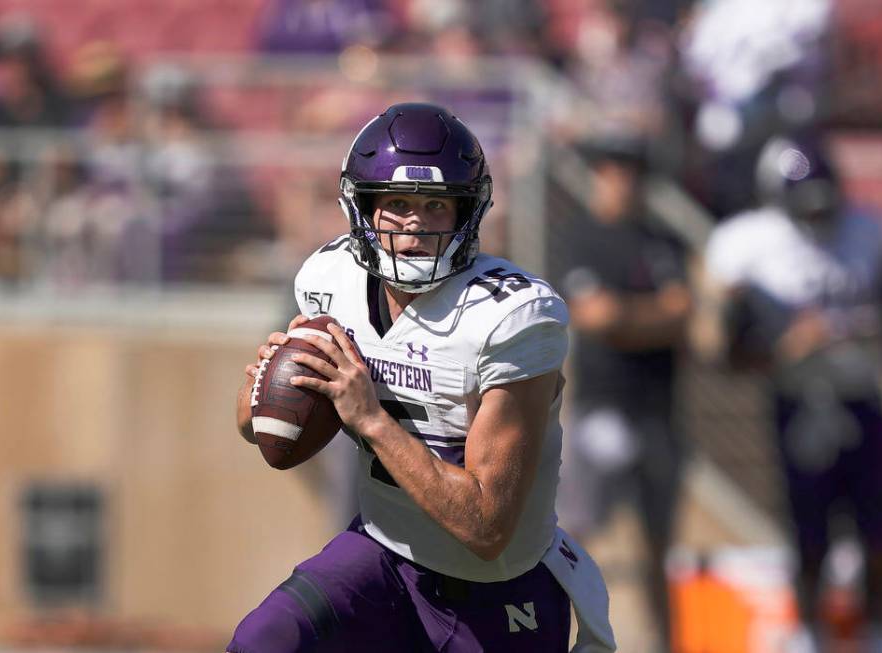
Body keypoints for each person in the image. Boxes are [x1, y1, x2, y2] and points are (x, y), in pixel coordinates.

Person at [229, 103, 616, 653]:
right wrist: (269, 380)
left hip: (497, 588)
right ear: (363, 208)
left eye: (436, 205)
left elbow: (486, 526)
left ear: (466, 213)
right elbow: (252, 424)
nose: (414, 223)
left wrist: (371, 419)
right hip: (383, 555)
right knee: (263, 642)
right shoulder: (330, 279)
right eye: (398, 204)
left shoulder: (513, 317)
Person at [702, 133, 882, 652]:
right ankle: (809, 635)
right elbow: (720, 348)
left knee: (880, 530)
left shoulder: (864, 230)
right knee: (810, 533)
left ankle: (879, 636)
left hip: (861, 393)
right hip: (799, 400)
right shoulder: (747, 246)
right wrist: (784, 349)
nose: (818, 218)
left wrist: (870, 330)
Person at [556, 137, 691, 652]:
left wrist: (627, 318)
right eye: (614, 168)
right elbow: (595, 316)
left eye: (632, 169)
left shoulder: (660, 239)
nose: (623, 179)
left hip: (659, 412)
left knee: (660, 548)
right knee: (575, 539)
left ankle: (666, 644)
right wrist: (654, 317)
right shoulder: (580, 237)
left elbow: (682, 313)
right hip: (600, 410)